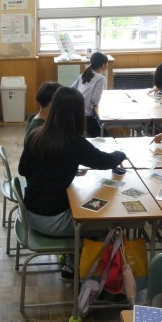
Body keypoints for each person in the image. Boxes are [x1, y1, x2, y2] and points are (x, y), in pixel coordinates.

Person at [18, 87, 127, 280]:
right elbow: (105, 161)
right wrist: (121, 153)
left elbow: (22, 170)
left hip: (30, 213)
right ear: (77, 114)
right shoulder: (74, 142)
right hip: (52, 220)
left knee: (80, 202)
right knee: (109, 224)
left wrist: (52, 170)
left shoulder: (36, 134)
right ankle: (80, 268)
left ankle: (73, 259)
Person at [71, 52, 109, 137]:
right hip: (86, 117)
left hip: (75, 113)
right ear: (103, 65)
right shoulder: (100, 78)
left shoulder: (83, 74)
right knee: (106, 137)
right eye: (107, 64)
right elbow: (95, 100)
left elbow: (71, 89)